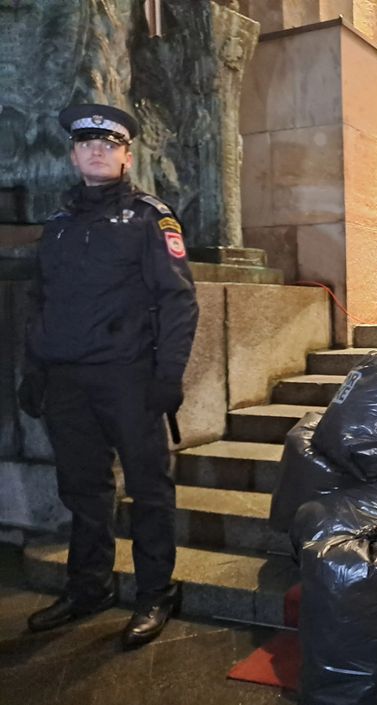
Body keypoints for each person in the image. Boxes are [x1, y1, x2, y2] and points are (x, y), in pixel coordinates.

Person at [18, 103, 199, 649]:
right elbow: (40, 303)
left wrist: (168, 377)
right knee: (83, 490)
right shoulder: (56, 226)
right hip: (67, 381)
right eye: (87, 142)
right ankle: (89, 587)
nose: (97, 149)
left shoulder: (151, 218)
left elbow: (178, 302)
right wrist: (36, 370)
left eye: (109, 143)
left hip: (129, 378)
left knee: (148, 489)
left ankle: (154, 592)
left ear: (125, 155)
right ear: (73, 154)